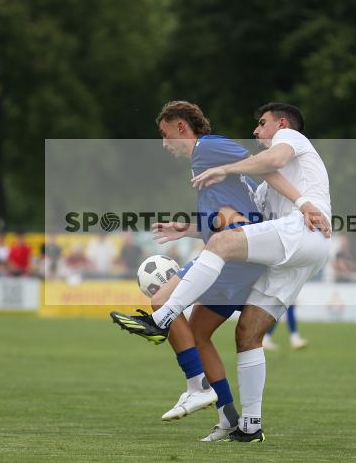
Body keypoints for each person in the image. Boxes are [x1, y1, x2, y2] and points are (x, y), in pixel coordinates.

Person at [112, 101, 332, 443]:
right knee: (248, 333)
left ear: (283, 124)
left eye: (262, 123)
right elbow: (245, 222)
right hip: (297, 252)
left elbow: (270, 163)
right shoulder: (263, 189)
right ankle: (249, 425)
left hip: (306, 232)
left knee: (216, 249)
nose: (256, 131)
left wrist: (302, 204)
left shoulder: (291, 138)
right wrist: (188, 228)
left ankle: (163, 318)